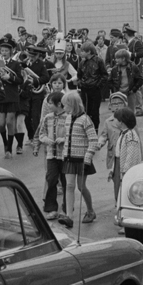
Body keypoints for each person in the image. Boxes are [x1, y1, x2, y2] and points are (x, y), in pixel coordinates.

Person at [59, 91, 98, 225]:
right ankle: (69, 216)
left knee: (81, 186)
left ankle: (90, 211)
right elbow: (67, 138)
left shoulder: (85, 119)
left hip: (82, 159)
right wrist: (64, 153)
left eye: (65, 105)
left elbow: (93, 140)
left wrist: (88, 157)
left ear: (72, 104)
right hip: (69, 158)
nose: (63, 108)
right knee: (69, 186)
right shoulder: (68, 118)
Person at [91, 92, 129, 204]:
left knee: (128, 178)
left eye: (119, 103)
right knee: (116, 179)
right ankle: (119, 203)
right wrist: (99, 143)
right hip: (115, 157)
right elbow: (103, 135)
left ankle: (128, 201)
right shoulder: (108, 122)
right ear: (110, 106)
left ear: (125, 104)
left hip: (127, 154)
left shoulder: (129, 119)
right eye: (114, 103)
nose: (116, 106)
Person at [35, 91, 66, 221]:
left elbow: (72, 135)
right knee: (51, 180)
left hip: (64, 156)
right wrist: (45, 140)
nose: (48, 106)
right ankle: (51, 209)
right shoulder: (47, 118)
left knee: (66, 183)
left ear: (59, 104)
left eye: (50, 104)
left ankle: (66, 210)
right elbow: (40, 134)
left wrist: (63, 139)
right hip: (51, 155)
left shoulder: (68, 117)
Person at [112, 107, 143, 207]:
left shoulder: (131, 136)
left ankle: (124, 208)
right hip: (118, 164)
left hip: (125, 168)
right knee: (117, 189)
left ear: (121, 122)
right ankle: (119, 206)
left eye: (115, 119)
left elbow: (131, 155)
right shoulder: (123, 134)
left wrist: (125, 171)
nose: (114, 120)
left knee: (124, 189)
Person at [76, 41, 108, 130]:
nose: (81, 53)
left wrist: (98, 86)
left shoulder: (98, 61)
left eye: (82, 51)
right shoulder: (82, 63)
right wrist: (81, 84)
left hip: (95, 91)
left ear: (89, 51)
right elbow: (79, 75)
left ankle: (95, 130)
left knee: (95, 112)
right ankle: (87, 130)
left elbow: (104, 75)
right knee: (85, 111)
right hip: (84, 90)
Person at [109, 49, 143, 117]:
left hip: (130, 93)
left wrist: (133, 90)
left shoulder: (133, 67)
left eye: (118, 58)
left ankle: (131, 127)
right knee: (119, 113)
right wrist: (114, 91)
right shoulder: (114, 69)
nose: (116, 60)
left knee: (131, 113)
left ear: (124, 58)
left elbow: (140, 80)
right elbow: (110, 81)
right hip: (119, 94)